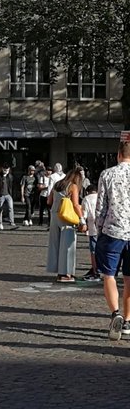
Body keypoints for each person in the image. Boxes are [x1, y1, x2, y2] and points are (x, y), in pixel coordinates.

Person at [96, 141, 130, 340]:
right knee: (129, 278)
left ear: (119, 155)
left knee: (109, 275)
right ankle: (127, 321)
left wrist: (98, 229)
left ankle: (115, 313)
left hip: (112, 231)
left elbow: (101, 206)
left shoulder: (107, 174)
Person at [46, 166, 86, 283]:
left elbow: (49, 201)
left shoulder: (57, 184)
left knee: (55, 244)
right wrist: (81, 219)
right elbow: (75, 205)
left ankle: (58, 271)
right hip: (66, 217)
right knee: (68, 246)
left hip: (54, 215)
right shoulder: (73, 186)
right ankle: (67, 273)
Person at [81, 183, 100, 282]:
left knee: (93, 250)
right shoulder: (101, 197)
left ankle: (95, 271)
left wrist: (83, 223)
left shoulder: (87, 199)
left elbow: (84, 214)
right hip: (104, 227)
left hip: (93, 227)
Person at [0, 163, 15, 229]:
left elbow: (12, 186)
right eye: (5, 169)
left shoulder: (10, 176)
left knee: (10, 207)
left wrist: (12, 194)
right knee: (0, 209)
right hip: (1, 195)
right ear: (2, 169)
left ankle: (12, 221)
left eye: (7, 169)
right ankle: (0, 222)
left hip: (8, 194)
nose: (6, 170)